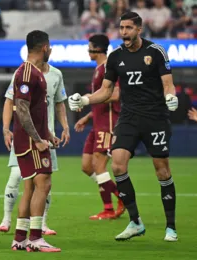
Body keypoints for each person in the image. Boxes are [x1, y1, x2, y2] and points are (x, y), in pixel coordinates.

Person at [68, 12, 179, 241]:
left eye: (129, 28)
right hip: (128, 118)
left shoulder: (156, 52)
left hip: (154, 117)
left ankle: (171, 227)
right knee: (117, 166)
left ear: (139, 29)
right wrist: (86, 100)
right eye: (122, 28)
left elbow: (168, 84)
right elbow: (107, 90)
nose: (124, 33)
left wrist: (171, 97)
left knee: (162, 170)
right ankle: (135, 221)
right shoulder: (115, 57)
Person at [0, 61, 69, 235]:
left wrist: (65, 127)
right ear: (45, 49)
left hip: (47, 137)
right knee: (17, 176)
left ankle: (40, 225)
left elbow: (59, 103)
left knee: (43, 183)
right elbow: (10, 101)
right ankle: (6, 219)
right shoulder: (22, 73)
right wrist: (6, 128)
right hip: (25, 136)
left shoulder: (56, 74)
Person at [11, 30, 61, 252]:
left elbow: (35, 109)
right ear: (44, 47)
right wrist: (38, 139)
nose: (50, 50)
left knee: (30, 186)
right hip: (31, 142)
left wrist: (48, 134)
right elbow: (21, 109)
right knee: (44, 183)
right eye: (49, 47)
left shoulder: (35, 73)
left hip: (35, 138)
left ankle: (20, 239)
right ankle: (36, 238)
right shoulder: (27, 72)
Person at [74, 34, 124, 220]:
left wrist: (88, 98)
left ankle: (110, 207)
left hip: (109, 122)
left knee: (99, 165)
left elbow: (117, 95)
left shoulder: (109, 68)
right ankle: (117, 199)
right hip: (97, 122)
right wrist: (88, 117)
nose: (88, 52)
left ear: (97, 49)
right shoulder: (98, 69)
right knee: (87, 166)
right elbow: (99, 100)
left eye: (89, 48)